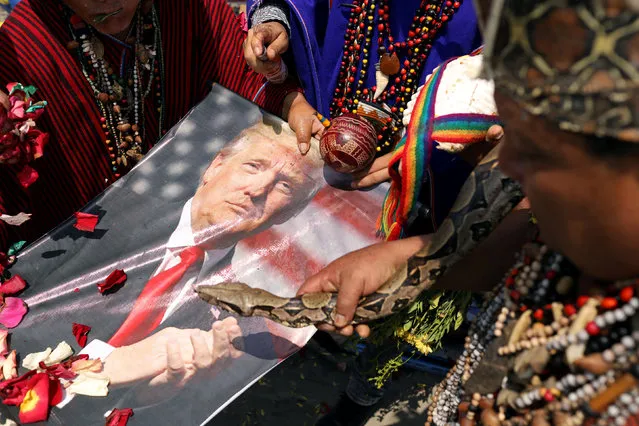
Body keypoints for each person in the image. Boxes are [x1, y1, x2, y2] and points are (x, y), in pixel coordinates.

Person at [300, 0, 639, 424]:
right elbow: (508, 251)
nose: (507, 165)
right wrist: (404, 259)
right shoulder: (568, 237)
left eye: (546, 149)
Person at [0, 0, 319, 251]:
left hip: (186, 235)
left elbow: (245, 78)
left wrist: (286, 98)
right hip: (74, 268)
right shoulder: (19, 51)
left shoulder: (186, 9)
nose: (109, 0)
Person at [72, 121, 322, 403]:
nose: (258, 189)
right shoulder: (104, 216)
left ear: (289, 213)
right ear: (216, 165)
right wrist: (113, 363)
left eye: (285, 186)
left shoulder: (235, 320)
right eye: (253, 166)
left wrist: (149, 398)